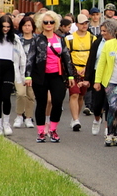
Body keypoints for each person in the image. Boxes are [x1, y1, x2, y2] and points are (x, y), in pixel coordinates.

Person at [26, 12, 70, 142]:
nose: (49, 24)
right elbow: (30, 58)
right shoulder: (36, 39)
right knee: (41, 103)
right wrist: (28, 76)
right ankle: (41, 132)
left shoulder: (60, 39)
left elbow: (67, 57)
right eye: (45, 22)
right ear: (41, 24)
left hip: (57, 75)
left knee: (57, 101)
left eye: (51, 22)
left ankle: (53, 129)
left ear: (55, 23)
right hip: (40, 76)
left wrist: (71, 76)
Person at [66, 12, 99, 132]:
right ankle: (75, 119)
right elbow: (66, 55)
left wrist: (88, 68)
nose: (84, 25)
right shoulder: (69, 38)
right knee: (74, 93)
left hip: (87, 70)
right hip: (73, 69)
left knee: (81, 95)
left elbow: (95, 55)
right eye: (82, 23)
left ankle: (76, 117)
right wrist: (71, 69)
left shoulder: (92, 38)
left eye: (86, 23)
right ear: (76, 24)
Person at [13, 13, 38, 124]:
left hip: (33, 71)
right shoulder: (17, 40)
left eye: (29, 25)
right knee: (21, 93)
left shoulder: (37, 40)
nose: (27, 27)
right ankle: (19, 115)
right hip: (19, 70)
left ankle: (28, 117)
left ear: (33, 27)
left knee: (30, 95)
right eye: (25, 25)